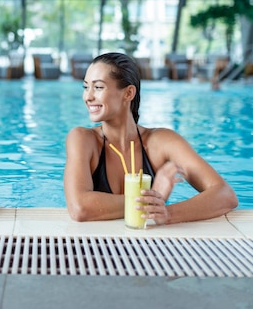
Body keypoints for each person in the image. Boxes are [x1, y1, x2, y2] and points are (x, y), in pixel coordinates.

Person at [64, 52, 238, 224]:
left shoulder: (161, 142)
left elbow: (225, 195)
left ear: (128, 93)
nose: (88, 96)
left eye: (98, 87)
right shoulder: (83, 139)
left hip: (152, 244)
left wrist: (166, 214)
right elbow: (79, 208)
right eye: (86, 87)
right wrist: (154, 195)